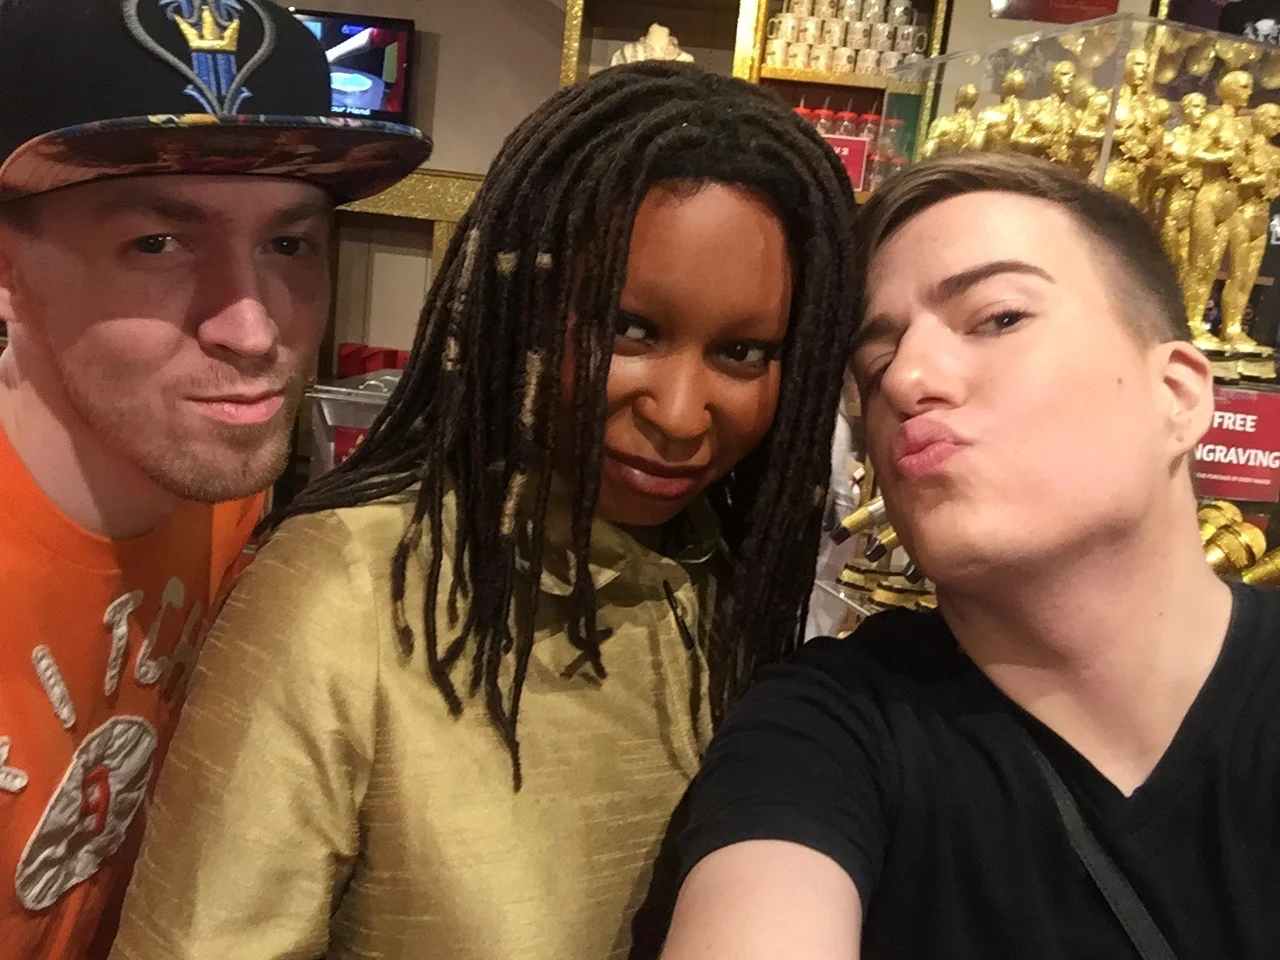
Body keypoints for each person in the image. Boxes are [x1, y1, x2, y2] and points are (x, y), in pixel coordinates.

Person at [108, 61, 859, 960]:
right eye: (629, 329)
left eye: (743, 352)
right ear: (524, 305)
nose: (679, 412)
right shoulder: (351, 588)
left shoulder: (724, 590)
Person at [650, 152, 1280, 959]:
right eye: (875, 363)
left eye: (998, 318)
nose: (907, 379)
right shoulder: (827, 732)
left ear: (1179, 394)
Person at [0, 0, 431, 956]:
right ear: (7, 269)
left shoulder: (226, 491)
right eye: (157, 244)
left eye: (288, 244)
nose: (252, 329)